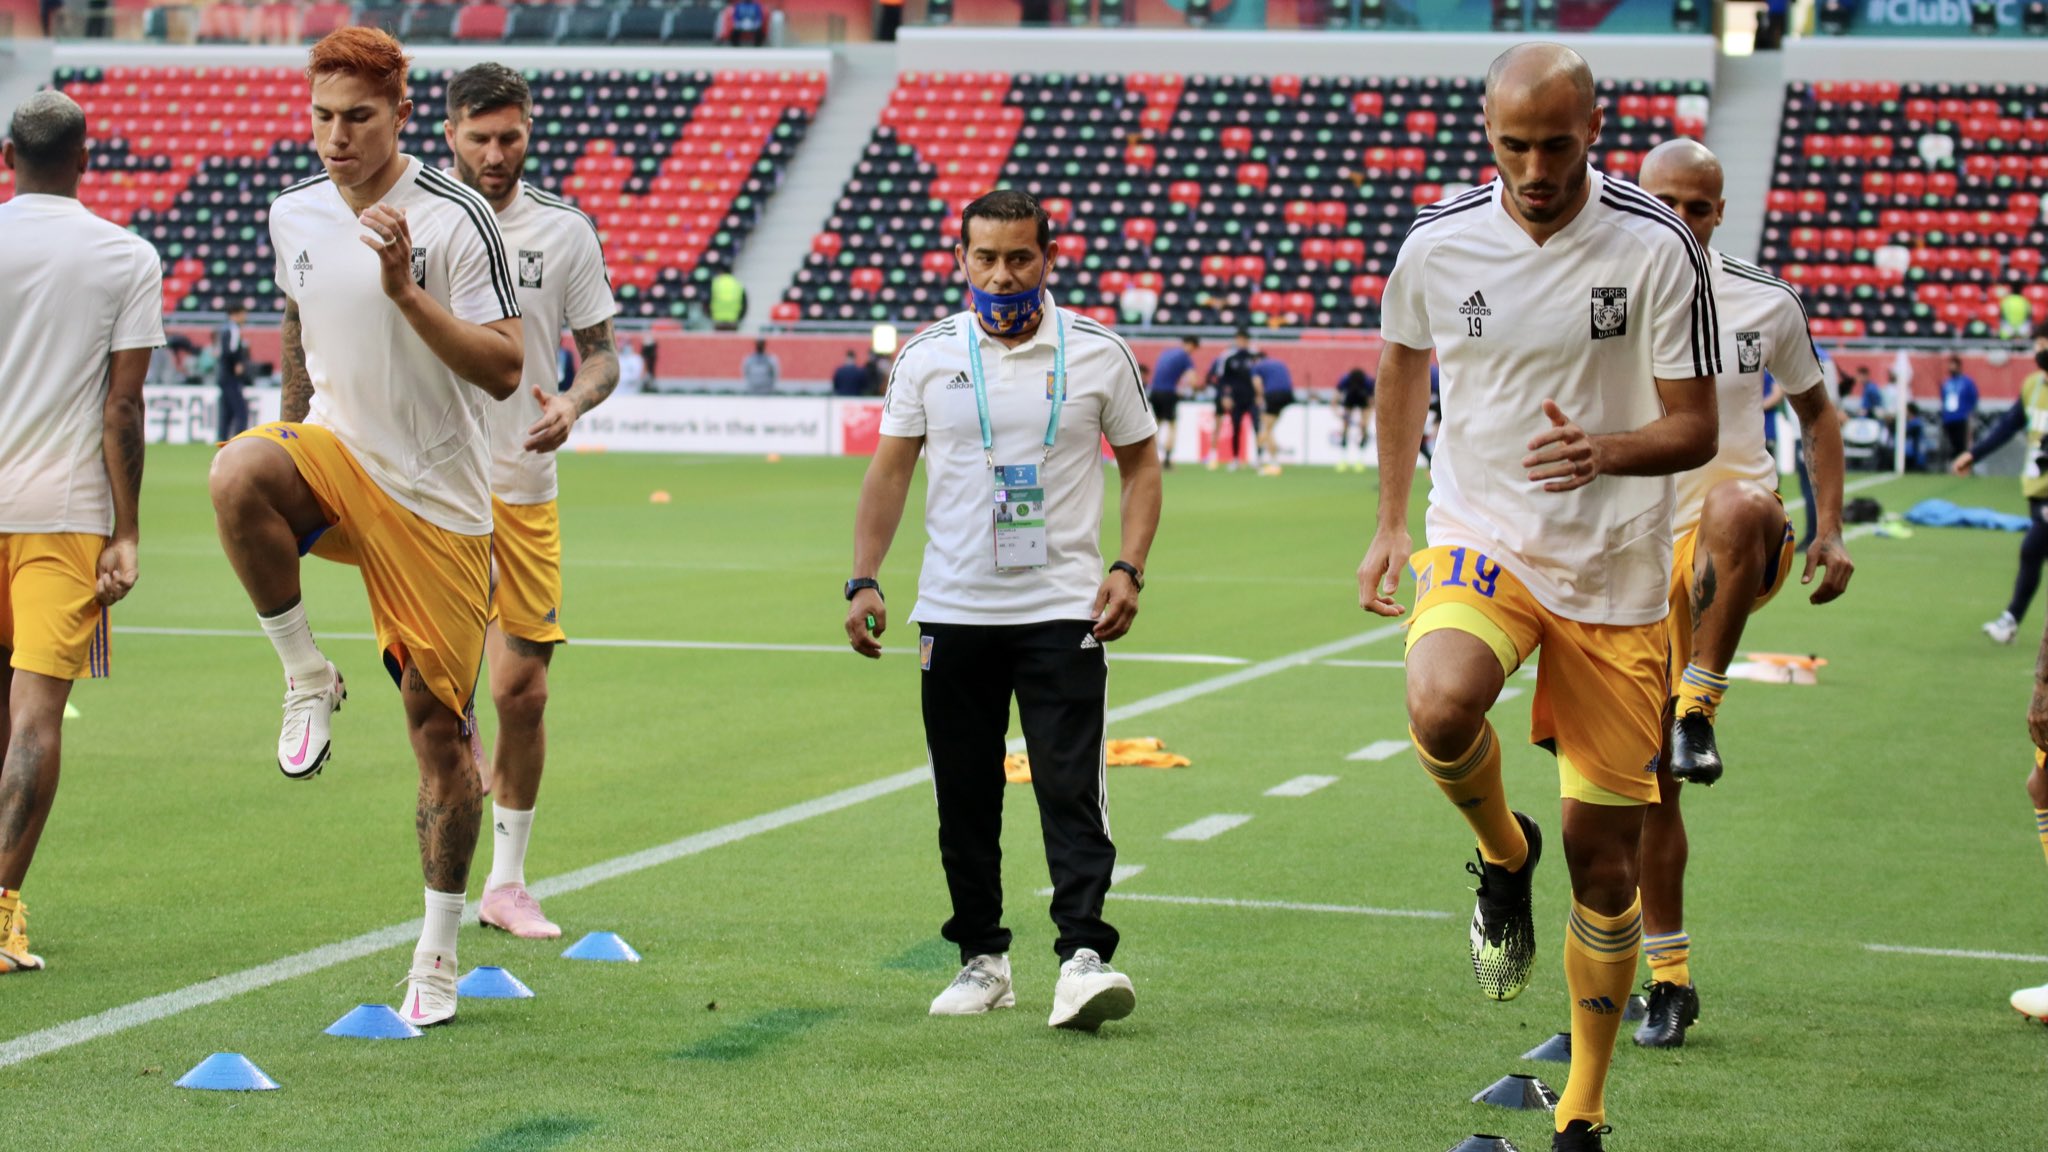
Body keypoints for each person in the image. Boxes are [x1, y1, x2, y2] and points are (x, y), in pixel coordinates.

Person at [1356, 44, 1720, 1152]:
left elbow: (1694, 426)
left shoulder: (1656, 249)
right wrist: (1385, 521)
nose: (1532, 168)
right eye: (1511, 144)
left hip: (1612, 572)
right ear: (1486, 132)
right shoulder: (1434, 241)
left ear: (1592, 131)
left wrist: (1602, 453)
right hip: (1480, 537)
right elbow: (1401, 367)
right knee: (1438, 704)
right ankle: (1499, 856)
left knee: (1603, 863)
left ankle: (1583, 1108)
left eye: (1554, 144)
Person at [208, 28, 523, 1027]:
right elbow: (302, 326)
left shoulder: (456, 215)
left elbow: (505, 368)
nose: (335, 138)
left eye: (357, 118)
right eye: (321, 118)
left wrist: (403, 292)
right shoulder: (289, 210)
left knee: (438, 730)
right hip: (338, 460)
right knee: (238, 471)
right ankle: (305, 672)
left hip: (439, 501)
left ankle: (436, 951)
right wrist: (296, 421)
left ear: (399, 114)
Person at [844, 188, 1160, 1032]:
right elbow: (889, 472)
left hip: (1065, 608)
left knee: (1070, 790)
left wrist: (1129, 565)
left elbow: (1141, 465)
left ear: (1047, 259)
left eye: (1020, 257)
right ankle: (983, 961)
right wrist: (864, 577)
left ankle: (1084, 957)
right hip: (952, 611)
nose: (1003, 273)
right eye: (986, 257)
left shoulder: (1099, 353)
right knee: (965, 796)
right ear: (961, 261)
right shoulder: (925, 357)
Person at [1631, 139, 1856, 1048]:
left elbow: (1817, 414)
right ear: (1633, 201)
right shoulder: (1591, 293)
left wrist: (1831, 527)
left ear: (1719, 212)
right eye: (1666, 202)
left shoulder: (1765, 301)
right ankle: (1668, 981)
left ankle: (1702, 703)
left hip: (1736, 546)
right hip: (1630, 561)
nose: (1682, 219)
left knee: (1736, 501)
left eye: (1699, 206)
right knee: (1641, 792)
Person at [444, 63, 620, 940]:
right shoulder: (421, 220)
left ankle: (507, 884)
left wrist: (574, 404)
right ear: (448, 133)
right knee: (436, 695)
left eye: (510, 135)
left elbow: (603, 354)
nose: (496, 153)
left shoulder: (565, 230)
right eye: (480, 137)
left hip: (522, 482)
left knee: (525, 694)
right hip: (427, 485)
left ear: (528, 130)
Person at [0, 91, 159, 972]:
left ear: (6, 155)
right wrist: (126, 530)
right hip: (62, 513)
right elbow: (122, 406)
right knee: (35, 717)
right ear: (85, 158)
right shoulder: (124, 255)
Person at [1953, 323, 2048, 645]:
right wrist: (1973, 454)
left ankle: (2009, 621)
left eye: (2043, 344)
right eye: (2037, 345)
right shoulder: (2034, 385)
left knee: (2032, 548)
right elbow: (2008, 426)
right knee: (2033, 554)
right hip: (2037, 488)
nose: (2039, 352)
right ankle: (2011, 621)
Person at [1206, 326, 1261, 471]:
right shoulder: (1228, 357)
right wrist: (1226, 396)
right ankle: (1235, 459)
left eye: (1244, 340)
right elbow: (1223, 380)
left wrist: (1260, 396)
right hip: (1235, 399)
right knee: (1236, 427)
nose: (1241, 342)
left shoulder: (1254, 356)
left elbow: (1260, 377)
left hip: (1252, 398)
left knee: (1257, 426)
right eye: (1239, 340)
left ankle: (1259, 458)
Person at [1147, 334, 1197, 469]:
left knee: (1156, 425)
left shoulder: (1167, 353)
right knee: (1172, 426)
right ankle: (1167, 460)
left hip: (1155, 392)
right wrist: (1191, 391)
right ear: (1192, 345)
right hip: (1168, 393)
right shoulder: (1185, 357)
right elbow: (1192, 380)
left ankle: (1150, 458)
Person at [216, 305, 253, 442]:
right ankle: (239, 440)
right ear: (236, 314)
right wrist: (238, 363)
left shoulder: (224, 329)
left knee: (226, 412)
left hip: (223, 375)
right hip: (230, 376)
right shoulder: (233, 329)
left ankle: (222, 440)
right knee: (240, 411)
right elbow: (230, 351)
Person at [1254, 350, 1294, 475]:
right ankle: (1267, 456)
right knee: (1269, 428)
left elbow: (1257, 383)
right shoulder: (1279, 363)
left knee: (1266, 429)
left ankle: (1273, 462)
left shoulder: (1257, 366)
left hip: (1273, 395)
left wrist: (1260, 397)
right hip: (1287, 395)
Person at [1940, 355, 1979, 465]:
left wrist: (1969, 412)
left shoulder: (1966, 382)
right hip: (1948, 418)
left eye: (1953, 365)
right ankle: (1954, 465)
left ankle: (1963, 466)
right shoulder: (1946, 383)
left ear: (1958, 366)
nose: (1951, 368)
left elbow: (1973, 398)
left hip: (1962, 418)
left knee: (1962, 444)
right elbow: (1943, 398)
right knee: (1952, 444)